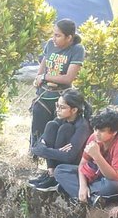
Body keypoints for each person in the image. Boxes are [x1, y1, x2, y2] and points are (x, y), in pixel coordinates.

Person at [29, 19, 85, 147]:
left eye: (58, 35)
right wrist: (38, 78)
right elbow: (44, 63)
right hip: (44, 94)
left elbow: (68, 78)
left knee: (57, 131)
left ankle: (52, 157)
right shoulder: (50, 44)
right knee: (37, 129)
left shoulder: (77, 49)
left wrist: (45, 77)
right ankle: (34, 153)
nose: (53, 38)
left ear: (69, 37)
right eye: (53, 34)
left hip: (61, 97)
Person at [57, 108, 118, 204]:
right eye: (95, 129)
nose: (97, 133)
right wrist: (83, 186)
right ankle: (90, 196)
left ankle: (77, 193)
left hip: (110, 180)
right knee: (60, 170)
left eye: (101, 131)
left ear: (114, 132)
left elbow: (115, 176)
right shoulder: (93, 137)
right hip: (94, 174)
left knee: (111, 186)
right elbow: (82, 164)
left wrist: (97, 156)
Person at [26, 88, 90, 192]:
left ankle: (56, 177)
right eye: (57, 106)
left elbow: (69, 156)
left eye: (62, 107)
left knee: (66, 128)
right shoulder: (60, 119)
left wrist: (44, 150)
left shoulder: (83, 126)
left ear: (74, 110)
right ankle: (51, 173)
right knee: (51, 125)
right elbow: (36, 147)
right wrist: (53, 151)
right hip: (59, 159)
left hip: (73, 166)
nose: (57, 110)